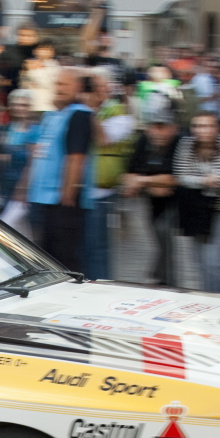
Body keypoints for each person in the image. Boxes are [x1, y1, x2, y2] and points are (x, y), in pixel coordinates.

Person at [16, 68, 93, 271]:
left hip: (60, 202)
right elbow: (38, 154)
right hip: (42, 199)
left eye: (64, 85)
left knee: (63, 259)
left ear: (77, 87)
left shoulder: (79, 115)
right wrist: (24, 188)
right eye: (57, 84)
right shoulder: (53, 115)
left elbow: (76, 158)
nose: (59, 89)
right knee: (46, 256)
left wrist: (67, 197)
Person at [174, 111, 220, 294]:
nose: (203, 130)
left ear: (217, 128)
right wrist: (205, 181)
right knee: (200, 262)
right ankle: (207, 299)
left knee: (215, 261)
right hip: (196, 209)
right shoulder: (186, 144)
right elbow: (181, 176)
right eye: (198, 126)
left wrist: (196, 180)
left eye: (209, 125)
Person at [85, 70, 135, 281]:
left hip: (101, 191)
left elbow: (104, 138)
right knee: (84, 246)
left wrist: (87, 111)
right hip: (82, 187)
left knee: (97, 247)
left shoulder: (120, 114)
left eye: (98, 86)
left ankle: (100, 284)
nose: (95, 91)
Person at [124, 102, 179, 286]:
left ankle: (164, 279)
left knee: (165, 234)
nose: (158, 132)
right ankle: (159, 276)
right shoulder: (143, 142)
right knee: (159, 239)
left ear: (173, 128)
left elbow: (172, 180)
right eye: (154, 127)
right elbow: (129, 174)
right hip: (154, 202)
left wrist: (143, 181)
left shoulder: (179, 143)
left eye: (163, 127)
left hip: (178, 202)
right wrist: (149, 182)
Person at [0, 89, 37, 203]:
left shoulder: (35, 130)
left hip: (25, 186)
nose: (19, 108)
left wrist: (23, 188)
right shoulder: (5, 128)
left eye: (24, 105)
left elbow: (33, 161)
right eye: (16, 105)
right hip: (4, 183)